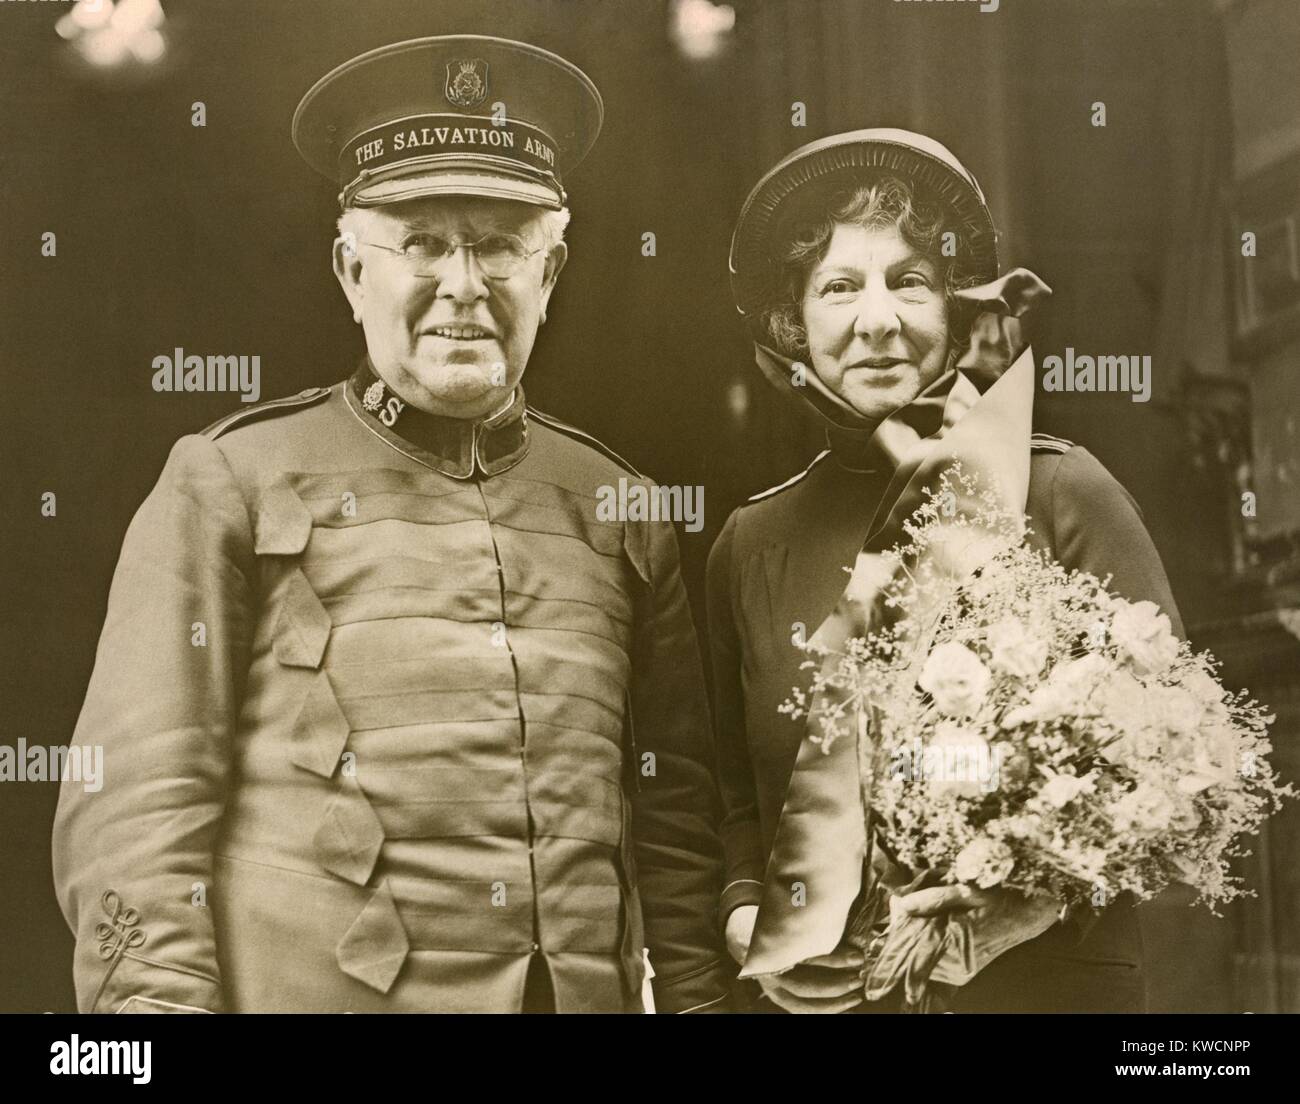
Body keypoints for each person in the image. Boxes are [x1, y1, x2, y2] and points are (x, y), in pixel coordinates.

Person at [52, 35, 729, 1014]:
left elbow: (675, 834)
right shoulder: (227, 482)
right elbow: (137, 812)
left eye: (499, 244)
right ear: (349, 270)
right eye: (419, 242)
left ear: (551, 271)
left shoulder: (620, 508)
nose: (463, 284)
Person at [709, 129, 1183, 1013]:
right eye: (839, 287)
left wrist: (1016, 903)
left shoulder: (1062, 489)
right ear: (793, 325)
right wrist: (747, 911)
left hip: (1048, 990)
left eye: (910, 282)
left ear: (958, 310)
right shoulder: (750, 542)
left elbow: (1176, 759)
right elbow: (737, 797)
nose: (877, 319)